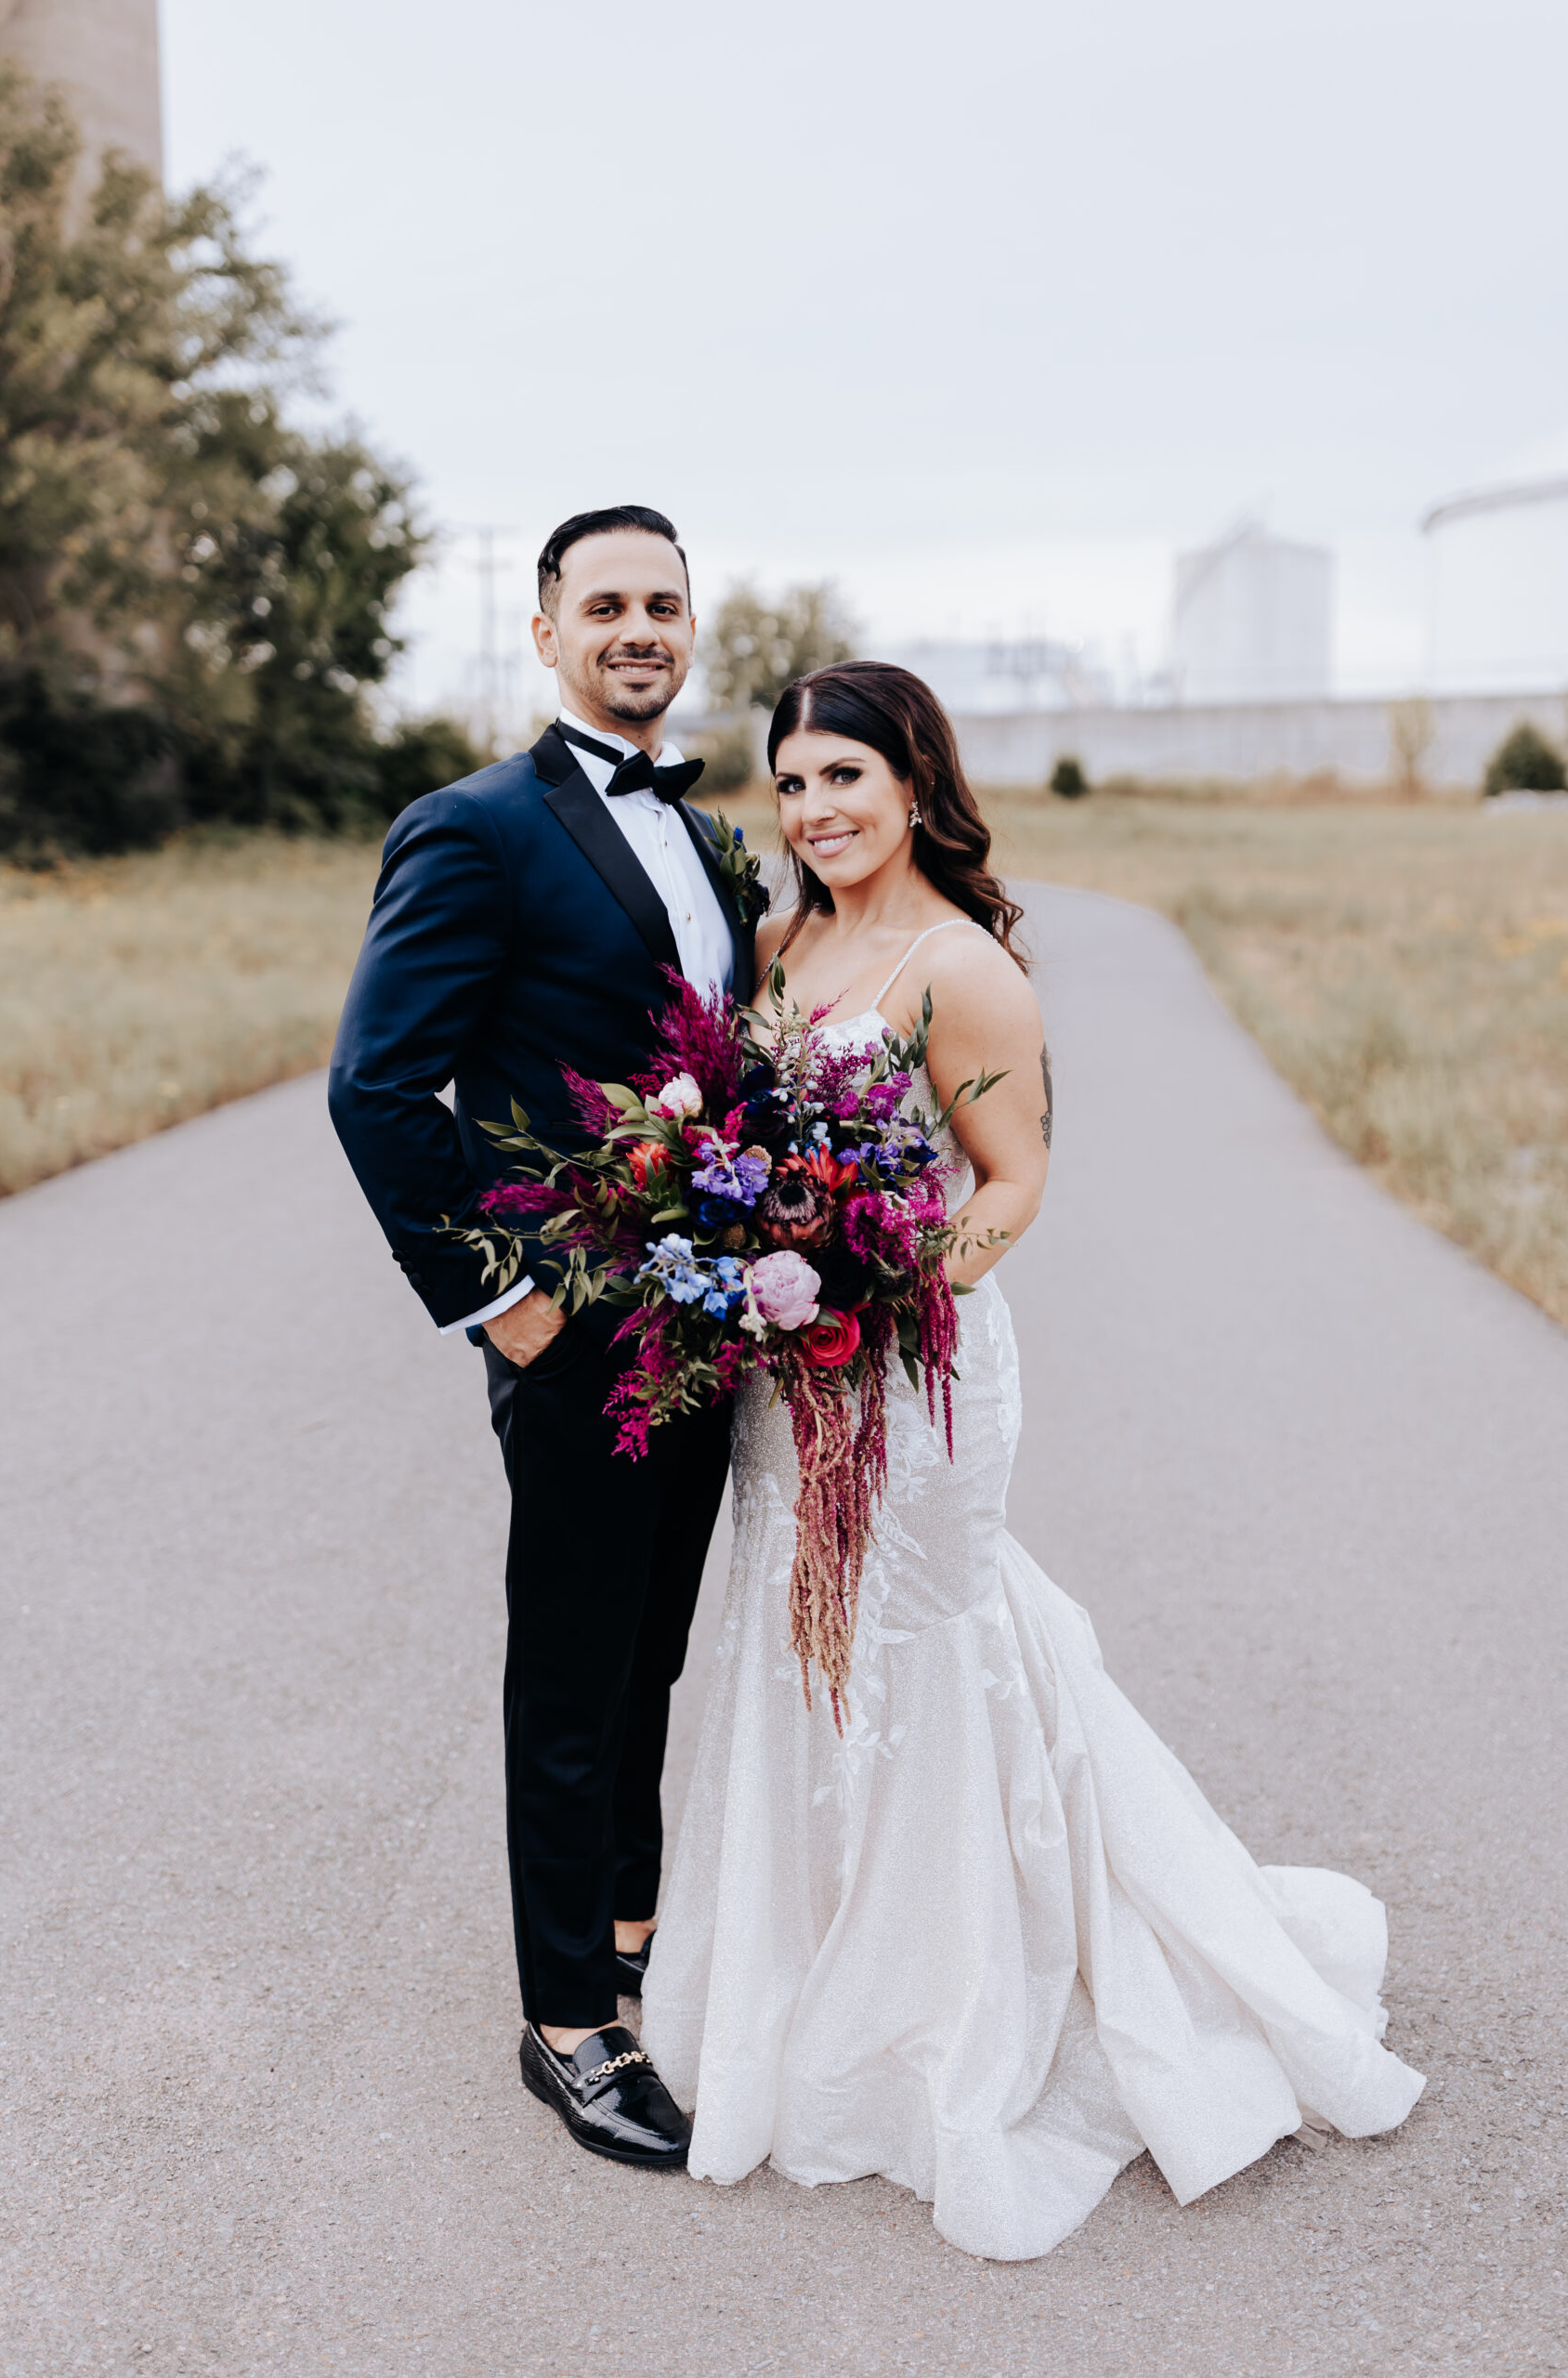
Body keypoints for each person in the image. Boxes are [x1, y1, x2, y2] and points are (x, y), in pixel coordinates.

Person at [641, 660, 1425, 2260]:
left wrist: (877, 1309)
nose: (815, 811)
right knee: (801, 1645)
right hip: (785, 1385)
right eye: (792, 784)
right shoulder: (782, 950)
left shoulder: (966, 968)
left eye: (845, 777)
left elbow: (1010, 1185)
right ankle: (806, 1969)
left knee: (921, 1637)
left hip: (914, 1368)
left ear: (916, 783)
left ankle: (957, 1993)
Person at [329, 505, 755, 2168]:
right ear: (546, 631)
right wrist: (497, 1299)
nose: (638, 628)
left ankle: (633, 1940)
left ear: (689, 629)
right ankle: (568, 2026)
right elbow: (379, 1087)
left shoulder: (714, 842)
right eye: (607, 604)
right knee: (572, 1671)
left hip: (713, 1323)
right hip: (571, 1331)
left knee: (652, 1651)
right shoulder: (476, 827)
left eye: (664, 603)